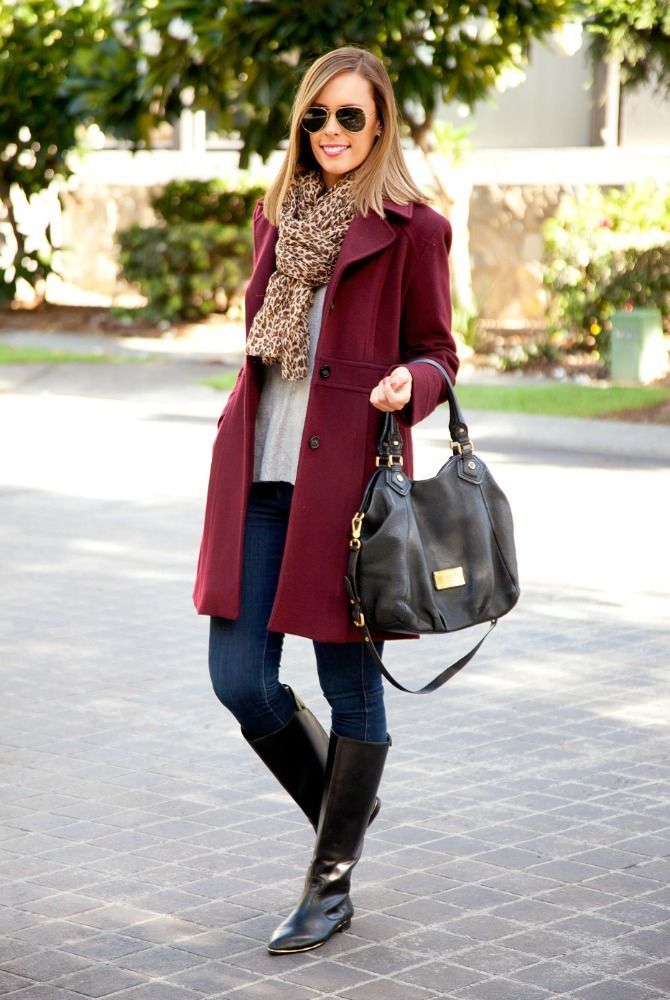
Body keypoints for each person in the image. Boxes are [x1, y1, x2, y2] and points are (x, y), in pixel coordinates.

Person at [193, 45, 459, 954]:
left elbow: (439, 352)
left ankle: (330, 885)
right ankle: (344, 805)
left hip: (347, 493)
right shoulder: (278, 214)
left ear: (379, 125)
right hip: (260, 478)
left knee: (350, 687)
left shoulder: (414, 229)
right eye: (317, 115)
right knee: (240, 680)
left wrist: (411, 384)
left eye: (351, 116)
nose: (332, 131)